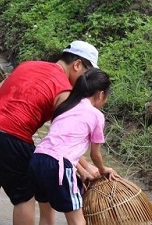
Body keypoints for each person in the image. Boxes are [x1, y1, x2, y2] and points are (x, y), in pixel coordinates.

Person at [0, 40, 100, 225]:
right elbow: (62, 140)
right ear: (77, 65)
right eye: (87, 73)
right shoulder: (64, 91)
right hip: (12, 135)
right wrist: (85, 168)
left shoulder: (28, 65)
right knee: (26, 195)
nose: (86, 80)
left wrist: (84, 166)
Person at [29, 68, 117, 225]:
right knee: (77, 220)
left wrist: (82, 171)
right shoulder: (96, 115)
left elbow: (62, 147)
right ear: (101, 94)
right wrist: (104, 170)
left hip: (37, 159)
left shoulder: (66, 108)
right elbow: (95, 155)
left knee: (46, 217)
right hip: (58, 165)